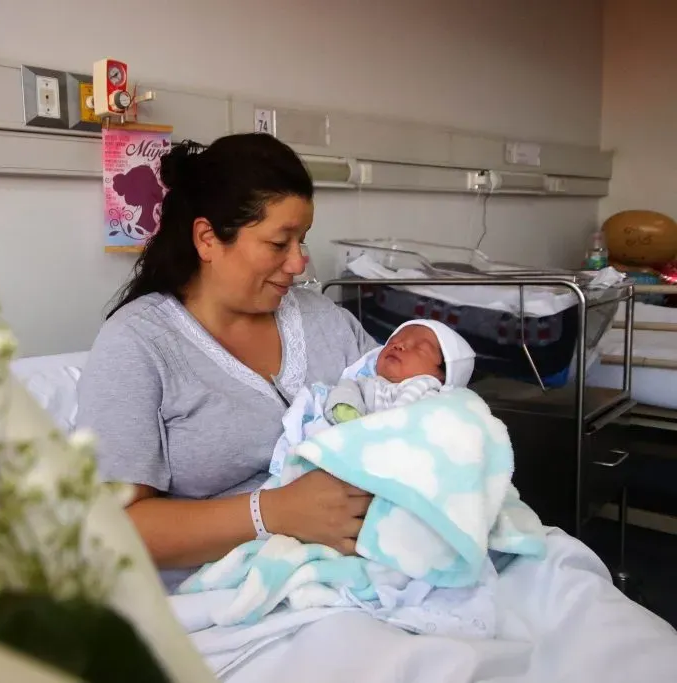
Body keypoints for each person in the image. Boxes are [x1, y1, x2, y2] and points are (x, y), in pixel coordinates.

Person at [76, 133, 380, 590]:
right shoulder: (139, 344)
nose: (299, 263)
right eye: (279, 243)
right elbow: (112, 530)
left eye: (303, 240)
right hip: (227, 594)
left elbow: (408, 411)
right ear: (207, 239)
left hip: (365, 566)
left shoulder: (326, 322)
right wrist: (273, 512)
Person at [324, 318, 476, 423]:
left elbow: (405, 421)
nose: (399, 346)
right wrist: (346, 407)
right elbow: (346, 389)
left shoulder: (426, 388)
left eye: (420, 348)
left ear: (442, 376)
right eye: (393, 341)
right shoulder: (365, 381)